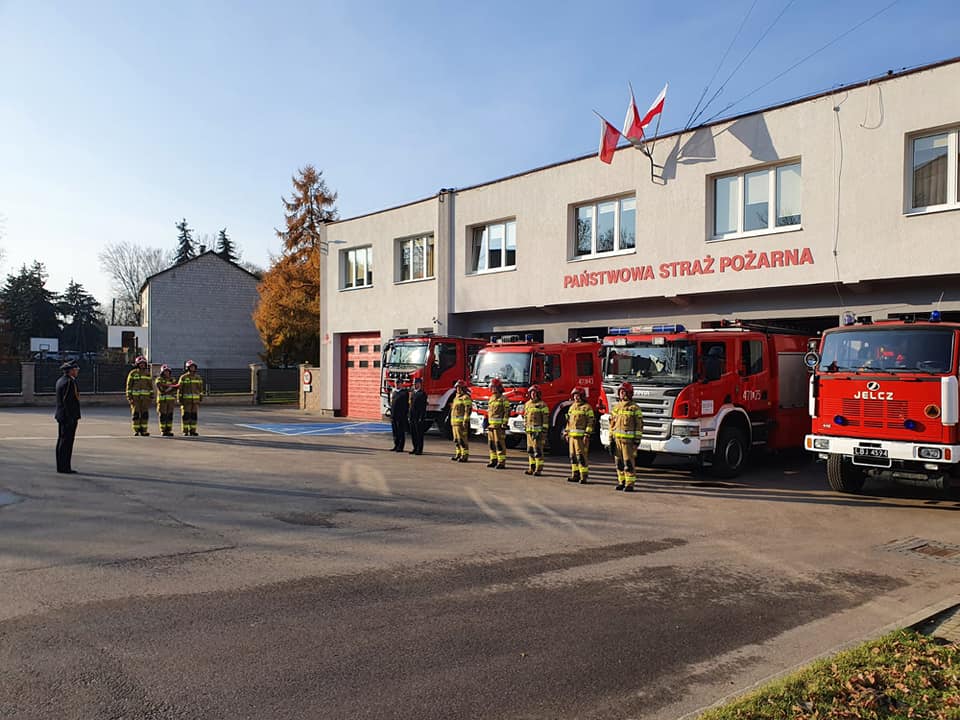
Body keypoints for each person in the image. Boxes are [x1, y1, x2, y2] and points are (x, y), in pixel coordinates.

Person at [610, 382, 643, 492]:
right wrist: (611, 439)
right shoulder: (616, 408)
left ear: (629, 393)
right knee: (619, 463)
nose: (622, 394)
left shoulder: (634, 408)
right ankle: (621, 481)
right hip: (617, 440)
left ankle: (630, 483)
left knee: (628, 463)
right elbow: (612, 425)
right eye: (620, 392)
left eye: (624, 392)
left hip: (628, 442)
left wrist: (637, 440)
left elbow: (639, 425)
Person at [54, 361, 81, 474]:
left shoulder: (61, 380)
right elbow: (68, 402)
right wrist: (71, 418)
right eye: (76, 370)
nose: (77, 372)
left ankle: (61, 466)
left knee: (62, 440)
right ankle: (64, 467)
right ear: (70, 370)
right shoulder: (69, 382)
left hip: (62, 415)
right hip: (67, 417)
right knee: (66, 442)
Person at [564, 387, 594, 484]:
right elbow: (568, 422)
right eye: (574, 395)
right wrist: (566, 433)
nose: (576, 397)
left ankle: (583, 476)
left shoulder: (587, 407)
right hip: (572, 437)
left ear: (582, 396)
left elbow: (591, 422)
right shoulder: (572, 407)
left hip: (581, 438)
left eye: (578, 395)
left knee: (581, 457)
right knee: (572, 457)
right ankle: (575, 475)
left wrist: (587, 434)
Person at [523, 385, 549, 476]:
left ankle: (538, 469)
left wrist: (543, 431)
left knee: (538, 451)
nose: (533, 394)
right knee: (530, 450)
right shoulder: (527, 404)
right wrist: (525, 426)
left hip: (538, 433)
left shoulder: (542, 405)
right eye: (531, 393)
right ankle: (531, 468)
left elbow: (545, 419)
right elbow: (525, 417)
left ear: (538, 394)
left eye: (534, 393)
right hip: (529, 432)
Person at [125, 355, 154, 436]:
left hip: (145, 399)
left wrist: (151, 395)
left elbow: (150, 386)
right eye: (140, 363)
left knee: (145, 414)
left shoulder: (147, 374)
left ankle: (144, 430)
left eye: (143, 363)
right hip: (135, 398)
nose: (142, 365)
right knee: (136, 414)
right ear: (137, 364)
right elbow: (129, 386)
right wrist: (129, 397)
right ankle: (136, 430)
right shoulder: (133, 373)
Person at [486, 377, 510, 469]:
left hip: (499, 427)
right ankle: (493, 460)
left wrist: (504, 424)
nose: (492, 389)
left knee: (499, 444)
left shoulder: (504, 399)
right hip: (491, 426)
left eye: (494, 387)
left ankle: (501, 462)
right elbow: (489, 412)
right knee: (491, 444)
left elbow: (506, 412)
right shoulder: (491, 398)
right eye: (491, 387)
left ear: (499, 388)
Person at [177, 360, 203, 436]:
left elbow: (200, 389)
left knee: (194, 416)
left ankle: (193, 431)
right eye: (191, 367)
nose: (192, 368)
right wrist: (179, 399)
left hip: (195, 401)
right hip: (186, 401)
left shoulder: (198, 377)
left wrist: (200, 397)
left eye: (194, 367)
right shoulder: (183, 377)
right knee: (186, 416)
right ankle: (185, 431)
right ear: (188, 368)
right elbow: (180, 389)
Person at [450, 380, 472, 462]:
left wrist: (465, 421)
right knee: (456, 439)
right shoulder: (456, 397)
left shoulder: (465, 397)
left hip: (461, 423)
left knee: (462, 440)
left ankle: (464, 455)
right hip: (454, 423)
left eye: (459, 387)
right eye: (457, 387)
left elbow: (468, 409)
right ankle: (458, 454)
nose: (457, 389)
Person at [155, 365, 180, 437]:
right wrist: (170, 387)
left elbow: (176, 387)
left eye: (168, 371)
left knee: (169, 416)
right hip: (162, 401)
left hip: (170, 401)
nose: (167, 373)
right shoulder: (159, 379)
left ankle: (168, 430)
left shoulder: (172, 379)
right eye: (165, 371)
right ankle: (163, 430)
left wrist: (169, 387)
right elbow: (160, 386)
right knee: (163, 416)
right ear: (162, 372)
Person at [408, 377, 428, 455]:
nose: (414, 385)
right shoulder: (413, 393)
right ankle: (415, 447)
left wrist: (421, 417)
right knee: (413, 433)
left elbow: (423, 407)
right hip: (412, 416)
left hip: (418, 416)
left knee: (419, 433)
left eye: (416, 383)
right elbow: (410, 405)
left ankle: (419, 449)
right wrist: (409, 415)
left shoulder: (422, 394)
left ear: (419, 384)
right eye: (414, 384)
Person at [389, 385, 410, 452]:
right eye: (396, 383)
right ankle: (396, 445)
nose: (397, 385)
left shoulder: (404, 393)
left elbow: (406, 405)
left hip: (400, 416)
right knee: (395, 432)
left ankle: (400, 447)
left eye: (399, 383)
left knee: (400, 431)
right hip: (394, 415)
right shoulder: (394, 392)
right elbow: (392, 404)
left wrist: (404, 414)